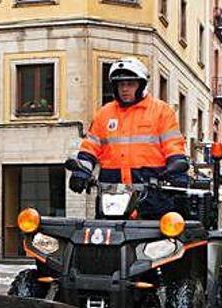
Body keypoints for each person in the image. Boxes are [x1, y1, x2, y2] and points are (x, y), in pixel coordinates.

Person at [71, 58, 189, 219]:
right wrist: (81, 172)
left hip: (151, 195)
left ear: (140, 85)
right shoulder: (104, 114)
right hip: (110, 195)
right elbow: (90, 148)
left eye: (130, 84)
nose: (125, 89)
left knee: (157, 241)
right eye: (121, 84)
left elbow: (174, 147)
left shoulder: (161, 111)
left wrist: (177, 171)